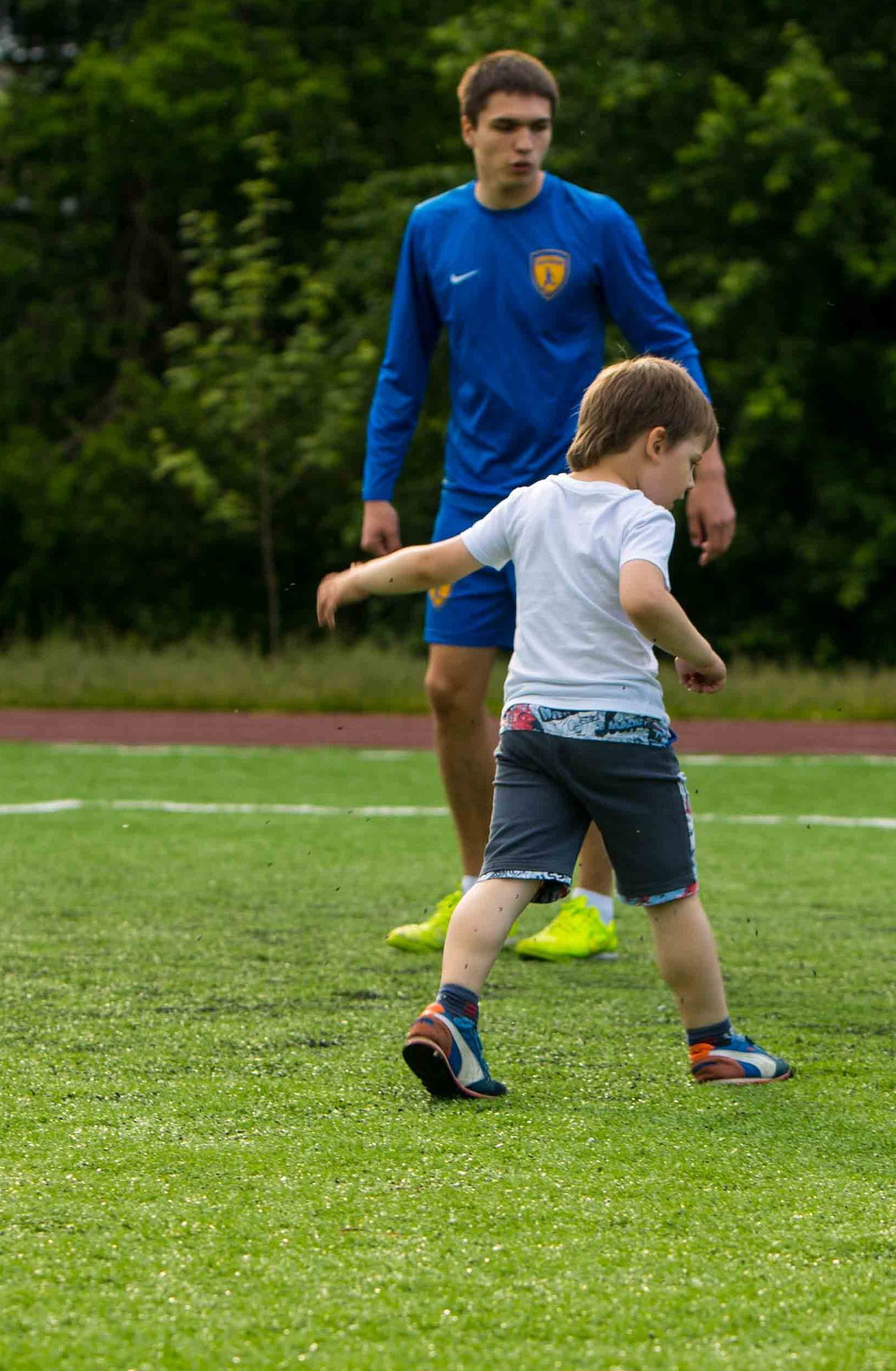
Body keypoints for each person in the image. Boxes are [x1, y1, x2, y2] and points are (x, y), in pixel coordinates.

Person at [319, 356, 791, 1095]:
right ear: (655, 443)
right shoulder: (642, 514)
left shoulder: (530, 502)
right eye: (693, 463)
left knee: (503, 876)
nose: (694, 482)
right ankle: (715, 1045)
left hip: (530, 726)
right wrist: (699, 652)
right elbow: (641, 597)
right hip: (623, 732)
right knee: (671, 893)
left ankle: (452, 1013)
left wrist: (356, 579)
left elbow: (439, 563)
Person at [361, 50, 737, 961]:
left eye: (539, 127)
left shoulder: (595, 222)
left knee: (604, 696)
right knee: (449, 688)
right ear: (469, 131)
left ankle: (591, 907)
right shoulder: (432, 228)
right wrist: (378, 487)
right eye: (506, 127)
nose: (525, 143)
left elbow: (667, 342)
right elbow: (405, 367)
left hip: (589, 501)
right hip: (480, 497)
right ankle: (475, 884)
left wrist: (712, 468)